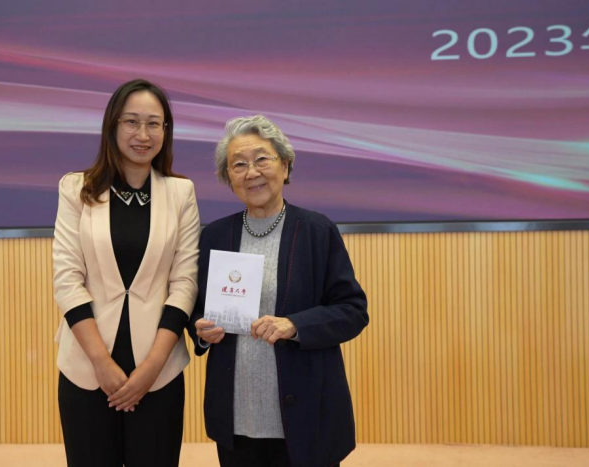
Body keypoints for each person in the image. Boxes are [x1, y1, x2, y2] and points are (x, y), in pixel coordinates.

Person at [188, 115, 369, 467]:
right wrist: (201, 330)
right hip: (237, 417)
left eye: (262, 159)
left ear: (284, 166)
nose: (251, 172)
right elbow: (197, 308)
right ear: (229, 178)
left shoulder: (316, 231)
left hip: (306, 415)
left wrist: (294, 325)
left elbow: (352, 310)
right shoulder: (215, 236)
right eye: (238, 164)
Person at [52, 79, 200, 466]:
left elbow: (184, 284)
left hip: (159, 372)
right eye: (132, 122)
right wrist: (102, 363)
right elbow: (67, 281)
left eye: (154, 124)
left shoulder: (181, 193)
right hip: (87, 369)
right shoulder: (76, 189)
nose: (143, 134)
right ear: (112, 125)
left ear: (166, 130)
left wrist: (150, 369)